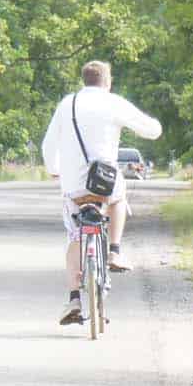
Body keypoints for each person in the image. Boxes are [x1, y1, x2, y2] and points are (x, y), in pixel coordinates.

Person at [41, 60, 162, 326]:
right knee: (119, 198)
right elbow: (152, 130)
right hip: (105, 183)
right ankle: (115, 251)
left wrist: (55, 170)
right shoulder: (114, 102)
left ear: (84, 80)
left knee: (75, 236)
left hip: (73, 185)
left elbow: (49, 144)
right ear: (107, 81)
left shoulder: (67, 104)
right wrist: (153, 125)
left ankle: (73, 297)